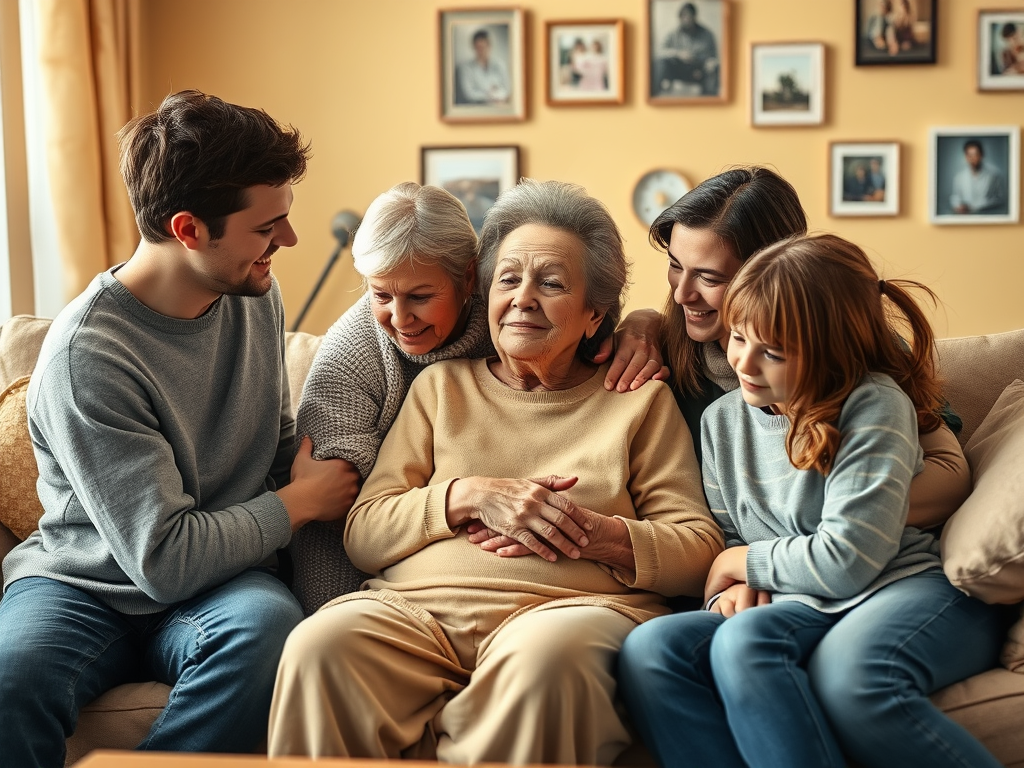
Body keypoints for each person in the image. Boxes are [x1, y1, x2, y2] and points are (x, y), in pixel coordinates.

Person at [268, 179, 724, 764]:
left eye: (552, 283)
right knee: (320, 646)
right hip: (415, 614)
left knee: (549, 663)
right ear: (483, 295)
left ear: (594, 316)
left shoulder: (637, 401)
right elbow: (364, 531)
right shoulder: (439, 388)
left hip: (562, 615)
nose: (524, 298)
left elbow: (697, 547)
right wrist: (465, 497)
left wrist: (591, 532)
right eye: (508, 279)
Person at [0, 90, 356, 767]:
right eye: (266, 227)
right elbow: (163, 559)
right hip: (82, 584)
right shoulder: (90, 357)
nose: (287, 241)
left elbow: (274, 436)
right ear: (190, 230)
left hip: (224, 581)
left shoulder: (252, 290)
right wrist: (301, 502)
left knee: (267, 632)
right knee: (10, 681)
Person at [617, 233, 1007, 768]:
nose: (745, 364)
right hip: (801, 599)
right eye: (736, 337)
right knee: (653, 650)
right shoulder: (721, 421)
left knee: (753, 648)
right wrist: (723, 594)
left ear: (830, 351)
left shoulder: (872, 404)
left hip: (900, 586)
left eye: (772, 351)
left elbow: (849, 557)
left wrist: (743, 563)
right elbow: (733, 535)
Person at [288, 182, 671, 617]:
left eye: (420, 296)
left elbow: (584, 287)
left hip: (564, 610)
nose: (399, 317)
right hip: (407, 598)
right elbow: (336, 521)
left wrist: (650, 322)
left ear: (470, 278)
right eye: (380, 295)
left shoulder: (618, 383)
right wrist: (329, 617)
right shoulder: (378, 365)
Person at [649, 166, 970, 528]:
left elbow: (949, 471)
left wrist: (811, 539)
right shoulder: (664, 354)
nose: (681, 294)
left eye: (709, 277)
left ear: (774, 271)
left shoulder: (855, 355)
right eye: (675, 265)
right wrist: (640, 324)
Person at [654, 2, 719, 96]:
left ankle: (710, 102)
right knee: (660, 63)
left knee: (714, 69)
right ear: (680, 18)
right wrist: (678, 53)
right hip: (679, 69)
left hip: (699, 69)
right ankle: (655, 97)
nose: (687, 19)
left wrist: (709, 62)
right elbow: (660, 51)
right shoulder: (673, 34)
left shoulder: (707, 34)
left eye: (689, 16)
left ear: (694, 17)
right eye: (684, 16)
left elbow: (713, 56)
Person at [950, 139, 1008, 215]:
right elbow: (955, 197)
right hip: (966, 219)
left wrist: (973, 206)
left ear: (981, 155)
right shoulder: (959, 177)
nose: (972, 158)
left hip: (988, 217)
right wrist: (958, 206)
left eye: (975, 154)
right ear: (966, 156)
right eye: (969, 155)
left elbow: (1000, 199)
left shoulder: (994, 175)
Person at [456, 28, 510, 105]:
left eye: (484, 47)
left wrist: (490, 94)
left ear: (490, 46)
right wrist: (492, 94)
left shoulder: (500, 65)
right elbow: (469, 94)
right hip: (476, 109)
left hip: (499, 107)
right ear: (474, 47)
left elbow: (507, 90)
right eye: (479, 47)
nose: (482, 51)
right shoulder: (464, 68)